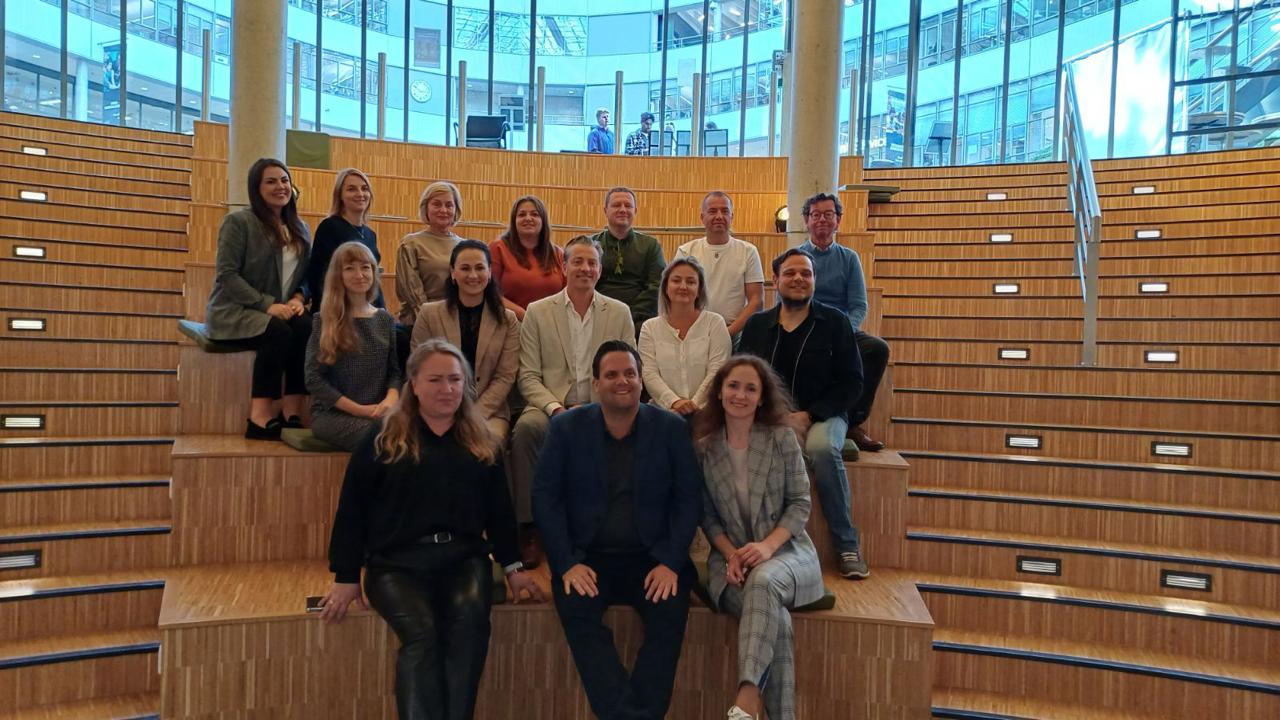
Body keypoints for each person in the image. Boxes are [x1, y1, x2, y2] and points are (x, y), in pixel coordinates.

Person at [321, 339, 544, 720]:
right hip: (396, 564)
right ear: (414, 385)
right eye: (436, 380)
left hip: (463, 559)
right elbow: (353, 509)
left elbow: (499, 512)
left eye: (455, 379)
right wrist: (345, 575)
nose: (447, 389)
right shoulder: (382, 438)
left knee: (470, 633)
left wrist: (513, 568)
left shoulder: (482, 441)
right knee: (422, 637)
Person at [532, 340, 703, 720]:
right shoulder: (565, 428)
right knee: (578, 613)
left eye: (630, 373)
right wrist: (566, 563)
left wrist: (670, 562)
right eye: (611, 374)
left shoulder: (671, 428)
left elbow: (689, 499)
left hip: (652, 558)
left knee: (669, 615)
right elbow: (545, 499)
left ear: (642, 381)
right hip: (587, 557)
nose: (622, 381)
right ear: (595, 383)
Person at [692, 355, 824, 720]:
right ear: (719, 392)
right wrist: (732, 554)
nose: (741, 395)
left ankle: (747, 697)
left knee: (764, 581)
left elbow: (800, 503)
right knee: (775, 620)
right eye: (733, 386)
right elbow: (707, 517)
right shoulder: (705, 448)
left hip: (787, 553)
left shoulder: (782, 438)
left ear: (762, 397)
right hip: (730, 565)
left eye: (751, 388)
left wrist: (766, 547)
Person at [738, 248, 868, 580]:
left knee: (822, 450)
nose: (798, 279)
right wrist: (774, 415)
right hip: (770, 415)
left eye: (806, 273)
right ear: (775, 280)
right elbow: (742, 376)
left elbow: (852, 383)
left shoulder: (835, 322)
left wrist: (810, 415)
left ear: (814, 280)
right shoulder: (757, 325)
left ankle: (847, 544)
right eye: (790, 273)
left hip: (824, 414)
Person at [510, 235, 635, 568]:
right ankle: (529, 527)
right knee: (526, 430)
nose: (585, 268)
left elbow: (627, 372)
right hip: (550, 405)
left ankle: (608, 526)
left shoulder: (619, 313)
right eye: (577, 261)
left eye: (592, 262)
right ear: (564, 267)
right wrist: (556, 410)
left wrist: (597, 408)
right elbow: (528, 376)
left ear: (600, 269)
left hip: (603, 407)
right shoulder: (538, 312)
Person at [205, 157, 312, 440]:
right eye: (271, 181)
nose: (280, 186)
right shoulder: (238, 222)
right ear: (256, 188)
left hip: (282, 308)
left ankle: (291, 410)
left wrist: (299, 297)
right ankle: (259, 416)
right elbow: (227, 275)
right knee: (278, 332)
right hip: (235, 310)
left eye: (285, 180)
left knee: (306, 325)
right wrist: (267, 305)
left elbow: (307, 275)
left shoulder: (301, 227)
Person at [797, 192, 891, 453]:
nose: (822, 220)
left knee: (877, 348)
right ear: (806, 220)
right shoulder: (796, 256)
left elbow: (859, 305)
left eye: (828, 214)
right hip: (806, 328)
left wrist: (842, 333)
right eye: (816, 215)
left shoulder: (849, 258)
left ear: (838, 220)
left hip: (842, 330)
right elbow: (788, 300)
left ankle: (852, 422)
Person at [411, 240, 520, 441]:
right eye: (465, 268)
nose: (473, 275)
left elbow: (505, 376)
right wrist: (446, 412)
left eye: (479, 268)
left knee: (484, 442)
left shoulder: (508, 320)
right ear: (453, 273)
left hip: (489, 411)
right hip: (436, 406)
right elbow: (419, 369)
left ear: (489, 272)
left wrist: (474, 415)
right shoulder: (428, 314)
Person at [304, 242, 402, 451]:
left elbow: (394, 372)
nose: (359, 275)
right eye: (350, 268)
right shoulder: (324, 319)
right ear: (338, 275)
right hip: (334, 415)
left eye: (365, 267)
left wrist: (391, 399)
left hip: (379, 412)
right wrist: (359, 410)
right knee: (381, 438)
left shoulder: (384, 319)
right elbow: (314, 379)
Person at [637, 257, 731, 417]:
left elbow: (718, 369)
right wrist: (674, 402)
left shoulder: (715, 323)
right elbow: (649, 373)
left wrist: (694, 404)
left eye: (691, 282)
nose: (683, 286)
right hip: (663, 413)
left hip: (707, 413)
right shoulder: (649, 328)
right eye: (676, 280)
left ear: (699, 289)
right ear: (665, 287)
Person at [675, 191, 765, 339]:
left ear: (732, 217)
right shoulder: (686, 251)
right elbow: (677, 296)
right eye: (712, 211)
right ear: (702, 217)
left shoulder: (748, 251)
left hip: (735, 333)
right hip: (694, 332)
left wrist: (726, 333)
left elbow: (756, 300)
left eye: (725, 211)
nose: (719, 216)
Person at [309, 168, 384, 312]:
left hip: (365, 309)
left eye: (364, 189)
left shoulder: (370, 235)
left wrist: (382, 312)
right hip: (337, 310)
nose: (360, 194)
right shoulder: (330, 227)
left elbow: (374, 281)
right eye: (351, 189)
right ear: (340, 195)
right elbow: (317, 275)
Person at [591, 187, 665, 331]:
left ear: (635, 211)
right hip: (597, 317)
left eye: (628, 205)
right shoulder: (590, 245)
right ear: (605, 210)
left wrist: (628, 316)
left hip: (639, 321)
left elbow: (656, 286)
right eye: (616, 205)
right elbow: (585, 284)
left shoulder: (651, 246)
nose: (623, 209)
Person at [396, 181, 465, 328]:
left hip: (457, 321)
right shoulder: (411, 243)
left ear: (456, 210)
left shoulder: (464, 246)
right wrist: (431, 320)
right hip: (420, 321)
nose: (443, 210)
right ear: (426, 207)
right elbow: (411, 292)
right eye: (437, 204)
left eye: (449, 205)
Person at [489, 195, 565, 321]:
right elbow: (490, 293)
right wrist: (525, 316)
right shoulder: (497, 248)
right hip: (510, 323)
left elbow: (567, 294)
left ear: (543, 220)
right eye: (522, 214)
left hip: (550, 323)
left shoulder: (557, 253)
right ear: (514, 221)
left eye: (535, 214)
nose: (528, 218)